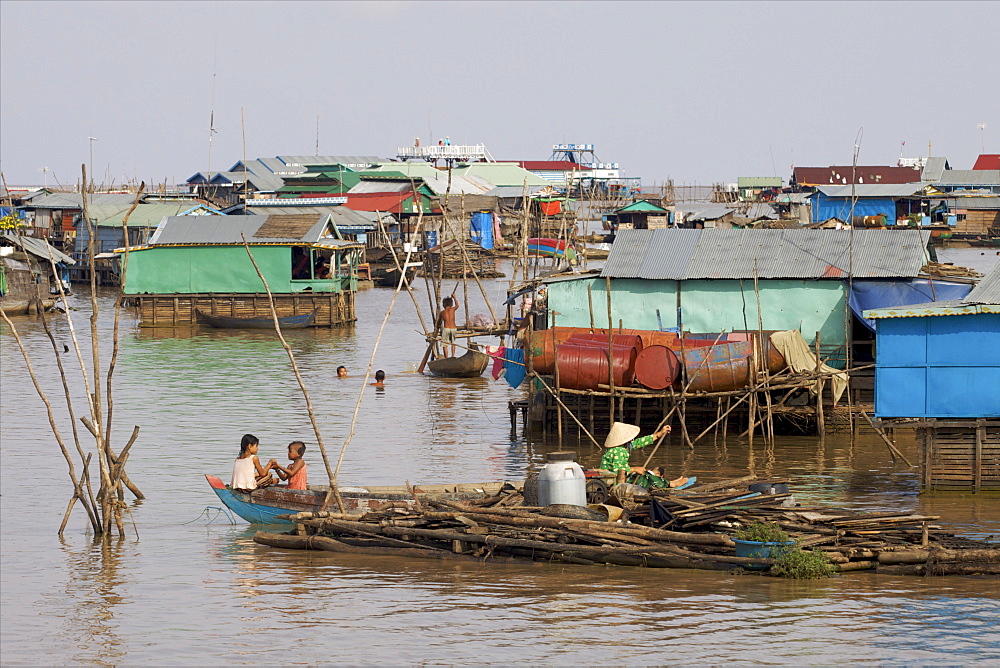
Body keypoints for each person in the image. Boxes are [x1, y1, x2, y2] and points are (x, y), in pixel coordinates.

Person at [598, 422, 671, 485]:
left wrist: (660, 433)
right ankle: (669, 484)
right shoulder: (619, 451)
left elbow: (639, 442)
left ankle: (666, 482)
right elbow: (618, 471)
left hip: (615, 478)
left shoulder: (622, 446)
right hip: (613, 482)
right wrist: (634, 469)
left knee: (645, 472)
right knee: (644, 478)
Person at [437, 291, 459, 357]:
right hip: (453, 328)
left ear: (444, 304)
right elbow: (457, 305)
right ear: (451, 304)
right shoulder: (453, 309)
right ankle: (452, 356)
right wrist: (455, 297)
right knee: (453, 343)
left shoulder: (442, 312)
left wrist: (437, 327)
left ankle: (446, 357)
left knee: (444, 344)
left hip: (446, 329)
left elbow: (439, 322)